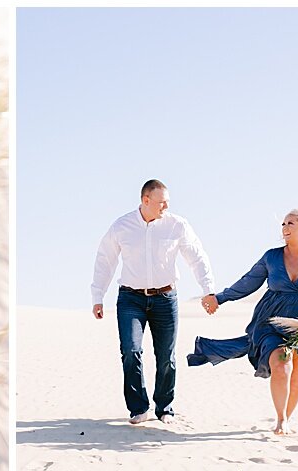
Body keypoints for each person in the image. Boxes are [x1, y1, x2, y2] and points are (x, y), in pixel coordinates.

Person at [187, 210, 298, 435]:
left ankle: (288, 417)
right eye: (283, 223)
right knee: (281, 367)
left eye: (290, 223)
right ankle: (281, 419)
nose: (284, 227)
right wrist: (220, 297)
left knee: (296, 379)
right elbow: (248, 283)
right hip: (271, 323)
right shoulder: (271, 257)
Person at [90, 179, 216, 425]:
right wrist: (98, 296)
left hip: (165, 299)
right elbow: (105, 260)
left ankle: (165, 407)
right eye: (161, 202)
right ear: (145, 200)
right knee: (131, 351)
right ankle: (138, 408)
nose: (165, 206)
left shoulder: (177, 225)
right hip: (130, 299)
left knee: (166, 356)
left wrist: (208, 289)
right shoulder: (122, 226)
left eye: (167, 202)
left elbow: (197, 257)